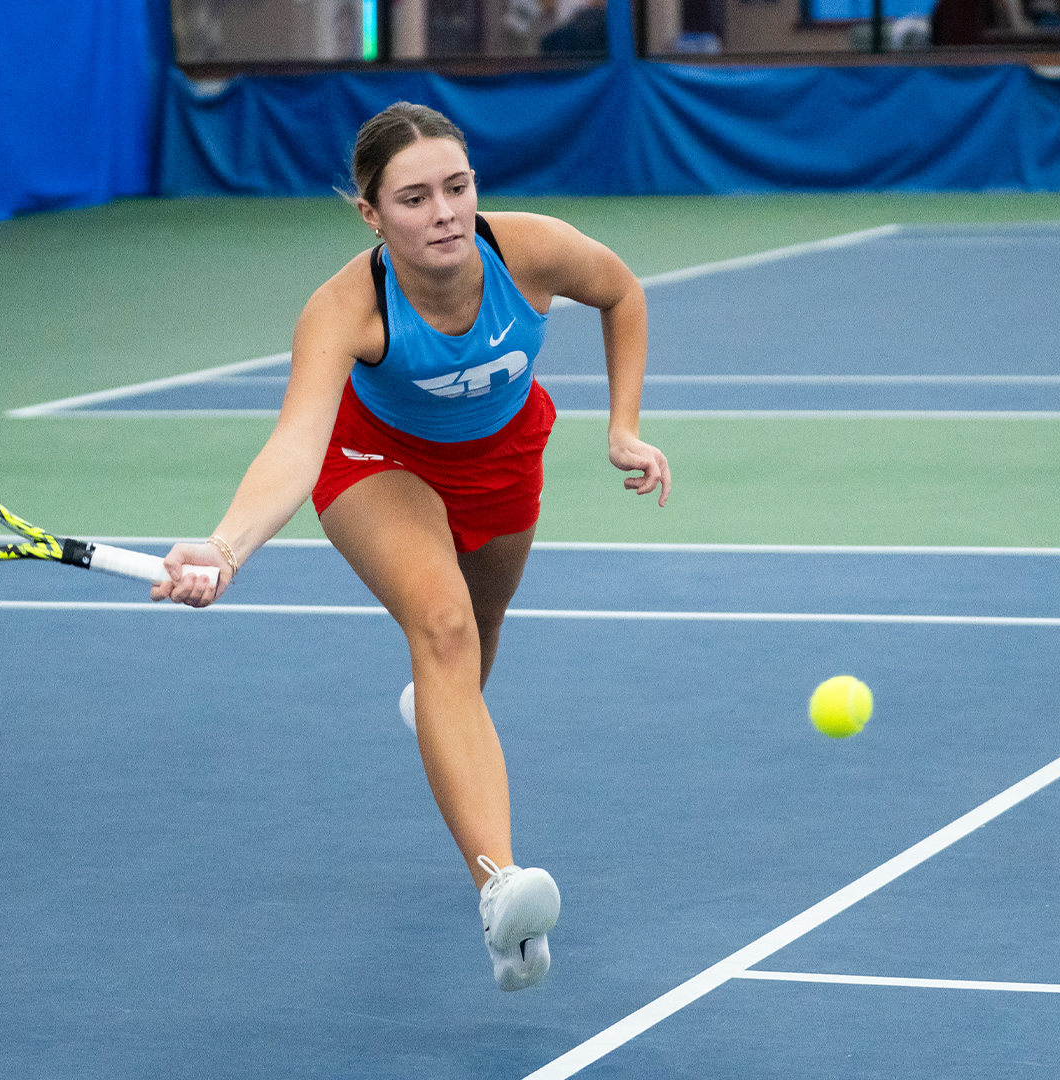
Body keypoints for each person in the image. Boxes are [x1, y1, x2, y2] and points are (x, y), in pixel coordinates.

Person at [150, 102, 671, 991]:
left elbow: (622, 292)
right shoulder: (345, 308)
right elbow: (294, 444)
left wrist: (623, 425)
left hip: (503, 455)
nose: (445, 213)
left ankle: (436, 708)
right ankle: (502, 889)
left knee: (481, 626)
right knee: (443, 627)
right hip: (374, 460)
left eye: (458, 187)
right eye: (416, 197)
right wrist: (228, 547)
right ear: (372, 213)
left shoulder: (530, 250)